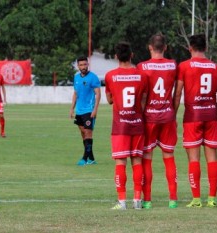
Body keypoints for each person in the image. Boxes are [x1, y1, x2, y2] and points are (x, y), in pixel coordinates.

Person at [174, 34, 217, 208]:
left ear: (190, 48)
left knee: (194, 159)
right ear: (205, 48)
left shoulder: (184, 66)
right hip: (210, 117)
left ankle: (196, 199)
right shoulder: (216, 68)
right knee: (212, 158)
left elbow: (178, 93)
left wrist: (172, 116)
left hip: (192, 118)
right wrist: (214, 113)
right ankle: (212, 198)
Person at [137, 33, 178, 209]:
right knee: (168, 156)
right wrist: (172, 112)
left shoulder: (141, 66)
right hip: (168, 116)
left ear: (149, 47)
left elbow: (142, 95)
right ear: (166, 47)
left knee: (147, 157)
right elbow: (177, 93)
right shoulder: (173, 65)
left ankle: (147, 200)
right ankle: (173, 199)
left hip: (149, 117)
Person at [105, 42, 148, 210]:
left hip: (120, 126)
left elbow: (109, 100)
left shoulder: (110, 76)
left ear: (116, 57)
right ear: (132, 55)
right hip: (137, 124)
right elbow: (143, 102)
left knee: (120, 162)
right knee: (137, 161)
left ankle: (122, 201)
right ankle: (137, 200)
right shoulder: (142, 76)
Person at [69, 56, 101, 166]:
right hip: (79, 110)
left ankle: (84, 158)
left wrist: (95, 110)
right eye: (81, 65)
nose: (83, 67)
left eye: (85, 64)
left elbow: (98, 94)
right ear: (78, 66)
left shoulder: (93, 77)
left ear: (88, 65)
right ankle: (91, 158)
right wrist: (72, 109)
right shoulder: (76, 78)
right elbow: (75, 94)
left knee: (88, 133)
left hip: (89, 110)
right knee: (83, 134)